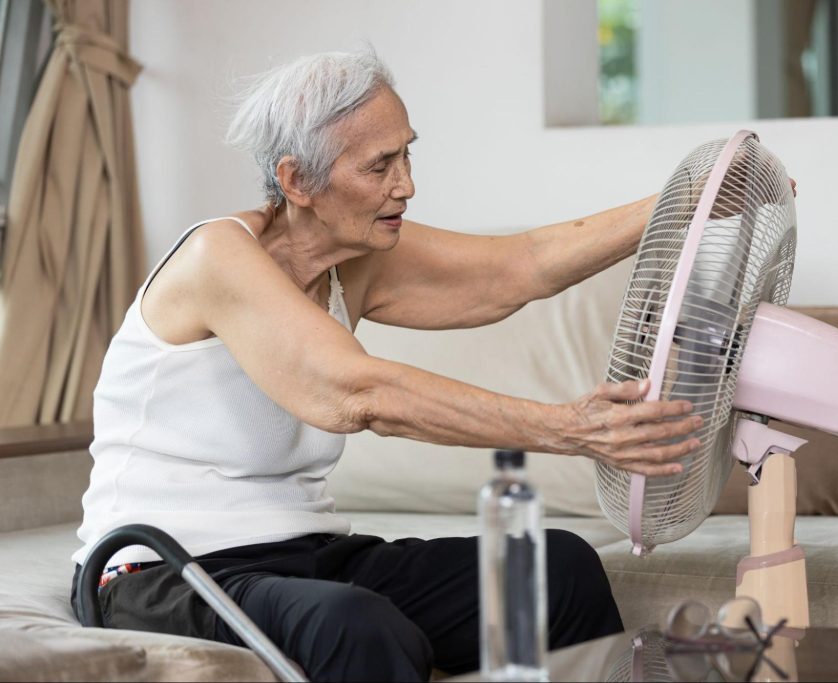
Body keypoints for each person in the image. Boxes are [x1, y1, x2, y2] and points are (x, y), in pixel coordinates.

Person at [70, 50, 716, 681]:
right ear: (297, 181)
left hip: (303, 558)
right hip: (163, 569)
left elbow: (520, 266)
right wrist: (571, 427)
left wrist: (690, 199)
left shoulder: (354, 256)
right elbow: (358, 392)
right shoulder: (217, 257)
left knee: (557, 568)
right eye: (380, 165)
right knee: (355, 621)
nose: (406, 184)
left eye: (406, 153)